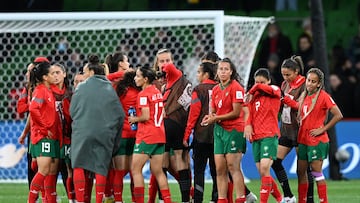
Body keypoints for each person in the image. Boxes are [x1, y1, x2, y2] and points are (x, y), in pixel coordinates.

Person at [70, 54, 124, 203]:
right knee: (101, 166)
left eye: (85, 71)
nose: (84, 74)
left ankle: (80, 200)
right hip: (104, 133)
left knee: (79, 165)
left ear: (92, 72)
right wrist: (115, 138)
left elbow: (72, 111)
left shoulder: (81, 87)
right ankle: (99, 199)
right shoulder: (109, 88)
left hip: (83, 132)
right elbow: (120, 115)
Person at [201, 58, 247, 203]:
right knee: (219, 169)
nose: (223, 72)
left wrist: (216, 118)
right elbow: (213, 111)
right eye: (220, 69)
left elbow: (236, 112)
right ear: (217, 71)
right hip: (219, 131)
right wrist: (210, 117)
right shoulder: (214, 90)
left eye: (226, 69)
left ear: (231, 71)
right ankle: (222, 200)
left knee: (233, 167)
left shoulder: (236, 88)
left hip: (234, 130)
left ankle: (241, 199)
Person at [296, 68, 343, 203]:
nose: (309, 84)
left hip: (316, 140)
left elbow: (338, 115)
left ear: (318, 84)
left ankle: (324, 201)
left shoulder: (323, 96)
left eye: (313, 81)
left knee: (316, 172)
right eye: (308, 80)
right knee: (301, 172)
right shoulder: (304, 96)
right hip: (303, 139)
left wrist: (323, 129)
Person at [129, 67, 173, 203]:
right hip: (160, 135)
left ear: (145, 79)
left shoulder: (143, 94)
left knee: (135, 169)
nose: (135, 78)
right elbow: (163, 113)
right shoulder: (157, 92)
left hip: (147, 136)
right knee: (158, 171)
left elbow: (146, 116)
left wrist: (134, 119)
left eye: (137, 76)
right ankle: (168, 200)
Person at [155, 48, 192, 203]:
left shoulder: (174, 76)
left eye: (167, 60)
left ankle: (165, 199)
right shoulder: (160, 83)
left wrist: (162, 69)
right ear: (156, 63)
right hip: (169, 125)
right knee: (175, 161)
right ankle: (180, 199)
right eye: (162, 61)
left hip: (172, 124)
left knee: (164, 162)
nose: (165, 64)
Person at [244, 68, 283, 203]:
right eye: (256, 82)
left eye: (262, 82)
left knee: (265, 167)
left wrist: (252, 89)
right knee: (263, 172)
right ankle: (280, 198)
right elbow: (249, 112)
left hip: (269, 135)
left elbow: (264, 89)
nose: (259, 85)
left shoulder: (275, 90)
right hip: (256, 137)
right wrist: (248, 125)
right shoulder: (254, 97)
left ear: (269, 81)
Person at [271, 56, 306, 203]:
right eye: (283, 74)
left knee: (302, 170)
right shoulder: (285, 84)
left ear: (296, 71)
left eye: (288, 74)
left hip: (300, 131)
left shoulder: (305, 84)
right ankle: (289, 195)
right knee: (275, 161)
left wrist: (285, 99)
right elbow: (282, 105)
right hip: (286, 129)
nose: (285, 77)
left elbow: (300, 106)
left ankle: (305, 199)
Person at [183, 62, 218, 203]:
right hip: (217, 136)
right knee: (217, 172)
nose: (197, 75)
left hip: (201, 136)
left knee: (199, 171)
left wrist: (186, 136)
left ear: (206, 74)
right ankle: (216, 199)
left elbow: (193, 115)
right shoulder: (219, 88)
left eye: (199, 72)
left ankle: (198, 199)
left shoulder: (198, 89)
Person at [27, 61, 60, 203]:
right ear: (45, 77)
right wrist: (44, 128)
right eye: (52, 74)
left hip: (45, 135)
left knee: (46, 171)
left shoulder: (47, 90)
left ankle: (45, 199)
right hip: (42, 136)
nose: (55, 76)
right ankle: (31, 200)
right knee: (44, 170)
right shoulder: (41, 90)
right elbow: (33, 108)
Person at [113, 70, 141, 203]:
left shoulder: (119, 92)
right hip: (135, 135)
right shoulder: (139, 93)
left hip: (121, 135)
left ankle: (118, 200)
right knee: (134, 172)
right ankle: (136, 200)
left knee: (119, 172)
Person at [50, 63, 74, 202]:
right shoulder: (47, 93)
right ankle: (51, 197)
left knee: (68, 169)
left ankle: (72, 198)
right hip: (52, 137)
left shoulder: (70, 94)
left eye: (58, 72)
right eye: (52, 73)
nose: (55, 76)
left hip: (68, 137)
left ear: (64, 74)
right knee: (51, 170)